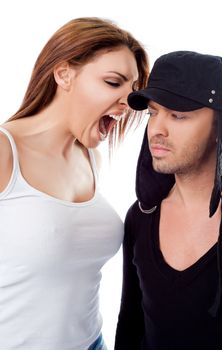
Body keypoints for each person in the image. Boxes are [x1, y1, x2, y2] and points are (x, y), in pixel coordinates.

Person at [0, 17, 148, 350]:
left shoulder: (90, 158)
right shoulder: (5, 153)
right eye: (113, 82)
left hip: (92, 342)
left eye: (134, 89)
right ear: (64, 74)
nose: (129, 101)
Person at [115, 51, 222, 349]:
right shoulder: (141, 217)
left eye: (177, 115)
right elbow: (130, 325)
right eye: (153, 113)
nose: (157, 130)